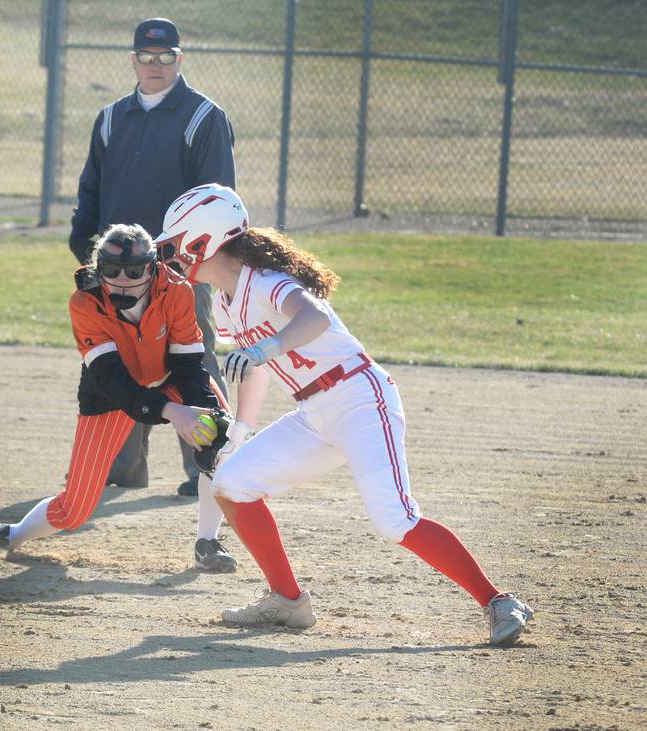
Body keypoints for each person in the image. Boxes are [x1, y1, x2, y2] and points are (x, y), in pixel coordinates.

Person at [155, 184, 534, 645]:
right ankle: (288, 602)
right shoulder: (225, 299)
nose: (171, 257)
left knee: (394, 520)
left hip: (360, 400)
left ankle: (498, 601)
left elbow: (313, 318)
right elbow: (256, 369)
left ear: (204, 241)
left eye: (174, 246)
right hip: (315, 412)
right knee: (231, 484)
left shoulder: (267, 281)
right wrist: (240, 430)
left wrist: (267, 346)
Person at [0, 223, 237, 572]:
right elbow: (113, 380)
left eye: (133, 271)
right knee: (75, 509)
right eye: (110, 270)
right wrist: (172, 413)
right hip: (112, 393)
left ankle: (207, 542)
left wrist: (203, 411)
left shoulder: (177, 290)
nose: (121, 279)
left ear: (151, 267)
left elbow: (190, 365)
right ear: (97, 266)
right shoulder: (85, 303)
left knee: (221, 442)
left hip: (169, 377)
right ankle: (11, 535)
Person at [68, 17, 235, 497]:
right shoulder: (111, 117)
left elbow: (217, 198)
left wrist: (191, 264)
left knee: (192, 359)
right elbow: (91, 192)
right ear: (133, 60)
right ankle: (122, 469)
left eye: (166, 57)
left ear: (179, 60)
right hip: (116, 271)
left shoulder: (203, 116)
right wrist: (88, 255)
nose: (155, 65)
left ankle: (206, 462)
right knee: (121, 363)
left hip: (177, 269)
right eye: (146, 56)